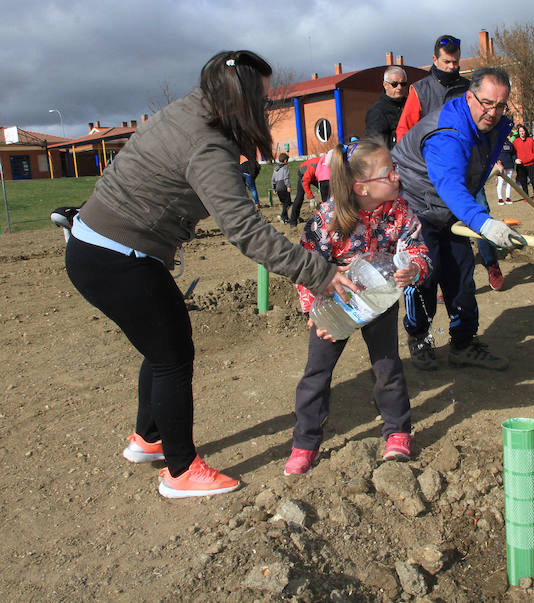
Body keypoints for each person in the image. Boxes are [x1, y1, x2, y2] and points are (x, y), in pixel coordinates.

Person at [64, 50, 354, 499]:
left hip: (99, 246)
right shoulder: (207, 144)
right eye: (260, 96)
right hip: (116, 256)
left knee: (159, 342)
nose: (265, 104)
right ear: (240, 98)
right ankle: (180, 470)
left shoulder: (190, 111)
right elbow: (245, 231)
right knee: (172, 356)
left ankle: (149, 438)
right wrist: (319, 273)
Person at [286, 138, 431, 475]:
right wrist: (313, 309)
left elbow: (419, 251)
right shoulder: (328, 218)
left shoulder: (402, 212)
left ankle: (397, 431)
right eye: (389, 172)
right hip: (335, 304)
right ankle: (305, 443)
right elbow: (306, 264)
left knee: (387, 367)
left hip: (380, 300)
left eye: (394, 170)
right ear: (361, 187)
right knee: (316, 376)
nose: (397, 176)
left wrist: (413, 268)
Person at [392, 67, 523, 371]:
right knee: (423, 276)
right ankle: (420, 339)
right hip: (416, 207)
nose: (493, 112)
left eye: (501, 105)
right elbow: (449, 184)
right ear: (470, 97)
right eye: (486, 103)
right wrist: (484, 223)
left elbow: (463, 179)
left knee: (461, 274)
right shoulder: (449, 131)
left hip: (449, 209)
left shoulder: (495, 125)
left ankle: (463, 344)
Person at [395, 34, 469, 141]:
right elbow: (404, 130)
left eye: (455, 62)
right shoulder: (420, 90)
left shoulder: (469, 89)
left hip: (463, 152)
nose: (452, 66)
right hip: (428, 154)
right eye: (447, 62)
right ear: (435, 59)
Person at [365, 66, 408, 148]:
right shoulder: (377, 112)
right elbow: (375, 146)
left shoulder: (411, 105)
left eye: (403, 84)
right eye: (394, 84)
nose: (399, 87)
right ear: (385, 85)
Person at [288, 155, 319, 226]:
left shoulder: (329, 167)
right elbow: (305, 181)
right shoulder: (313, 167)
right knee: (299, 197)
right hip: (303, 174)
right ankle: (293, 221)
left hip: (315, 176)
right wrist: (311, 198)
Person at [512, 124, 534, 200]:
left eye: (523, 131)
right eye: (520, 131)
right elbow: (513, 153)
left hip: (531, 164)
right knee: (523, 182)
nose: (522, 133)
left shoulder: (530, 140)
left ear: (525, 131)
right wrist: (516, 159)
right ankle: (526, 197)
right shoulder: (515, 141)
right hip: (521, 165)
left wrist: (529, 159)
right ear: (518, 132)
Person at [495, 135, 516, 205]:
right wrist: (497, 163)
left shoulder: (510, 144)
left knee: (509, 182)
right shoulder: (497, 144)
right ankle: (500, 198)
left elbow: (513, 153)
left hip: (509, 165)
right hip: (501, 167)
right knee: (500, 182)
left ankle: (508, 197)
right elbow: (494, 155)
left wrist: (515, 159)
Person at [272, 152, 292, 223]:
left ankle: (285, 219)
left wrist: (274, 188)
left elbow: (273, 179)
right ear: (285, 161)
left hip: (277, 187)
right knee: (288, 202)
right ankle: (282, 216)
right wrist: (288, 186)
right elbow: (286, 178)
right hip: (283, 186)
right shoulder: (285, 167)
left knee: (284, 204)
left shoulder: (275, 169)